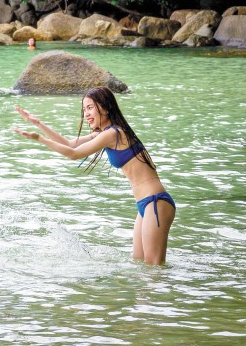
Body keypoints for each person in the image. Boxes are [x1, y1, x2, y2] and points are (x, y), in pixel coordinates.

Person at [13, 87, 175, 265]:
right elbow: (70, 144)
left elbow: (73, 154)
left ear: (105, 108)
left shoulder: (114, 133)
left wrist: (40, 139)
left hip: (155, 202)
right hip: (144, 206)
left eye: (90, 108)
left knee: (154, 269)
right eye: (84, 110)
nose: (86, 114)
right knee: (140, 265)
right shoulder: (104, 133)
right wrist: (38, 124)